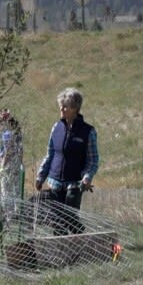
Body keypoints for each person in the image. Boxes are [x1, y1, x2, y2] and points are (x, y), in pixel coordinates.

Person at [35, 88, 99, 235]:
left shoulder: (88, 131)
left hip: (75, 184)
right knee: (57, 222)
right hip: (55, 183)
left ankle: (79, 244)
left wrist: (87, 177)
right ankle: (60, 252)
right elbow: (50, 154)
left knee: (69, 218)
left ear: (75, 109)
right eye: (61, 105)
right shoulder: (56, 128)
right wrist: (41, 176)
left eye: (65, 106)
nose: (61, 109)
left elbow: (93, 159)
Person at [0, 110, 24, 221]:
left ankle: (8, 214)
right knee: (16, 188)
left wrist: (3, 164)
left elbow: (8, 150)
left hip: (8, 163)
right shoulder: (18, 133)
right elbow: (20, 150)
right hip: (17, 162)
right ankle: (18, 211)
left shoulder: (7, 134)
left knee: (6, 188)